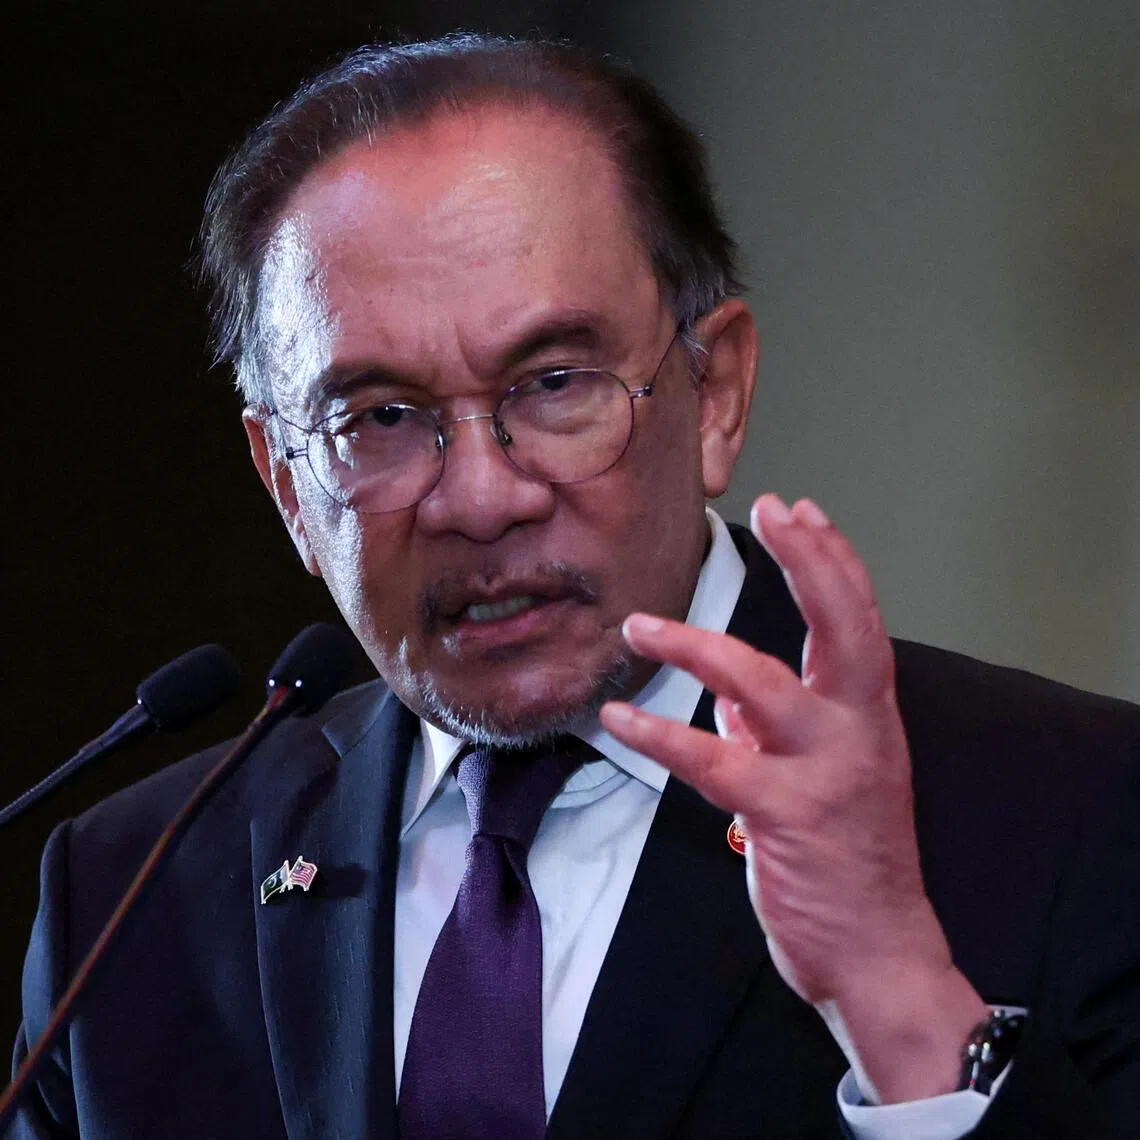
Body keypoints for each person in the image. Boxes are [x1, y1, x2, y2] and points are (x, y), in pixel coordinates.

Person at [11, 34, 1139, 1140]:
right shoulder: (129, 900)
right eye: (380, 419)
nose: (482, 497)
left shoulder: (1073, 816)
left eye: (555, 384)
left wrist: (899, 995)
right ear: (288, 487)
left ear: (716, 392)